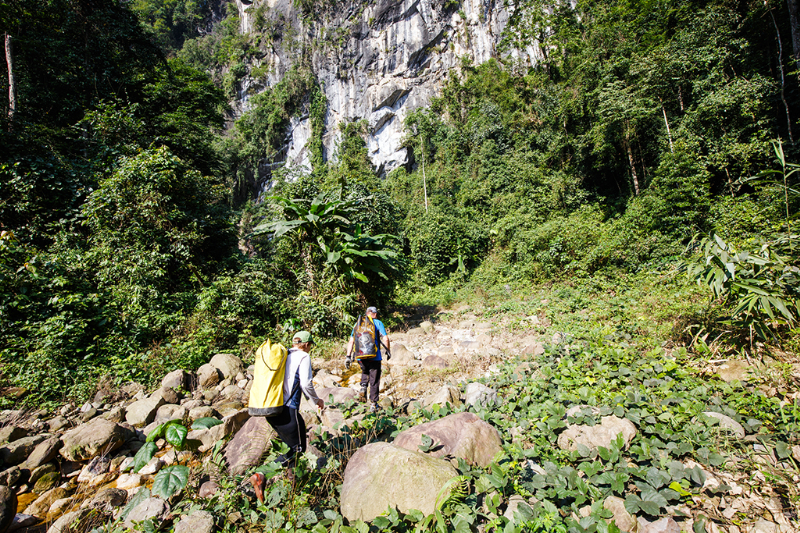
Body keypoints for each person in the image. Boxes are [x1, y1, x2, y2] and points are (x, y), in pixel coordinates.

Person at [250, 331, 323, 500]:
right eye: (310, 345)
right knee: (297, 450)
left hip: (271, 410)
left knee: (293, 446)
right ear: (305, 344)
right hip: (288, 411)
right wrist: (316, 400)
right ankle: (262, 475)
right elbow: (305, 383)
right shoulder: (304, 357)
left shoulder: (283, 355)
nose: (310, 348)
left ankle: (292, 487)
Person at [345, 306, 390, 412]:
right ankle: (374, 404)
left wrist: (348, 356)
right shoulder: (378, 323)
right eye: (376, 314)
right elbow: (386, 338)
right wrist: (388, 351)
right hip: (374, 356)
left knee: (365, 370)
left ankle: (363, 386)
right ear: (374, 314)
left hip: (360, 356)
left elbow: (351, 341)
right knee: (374, 380)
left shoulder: (358, 324)